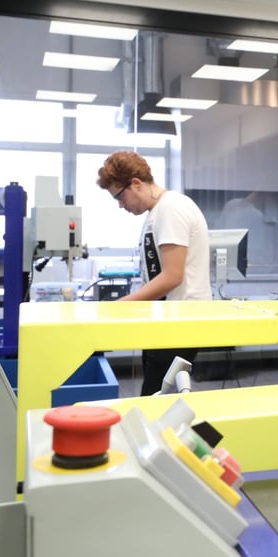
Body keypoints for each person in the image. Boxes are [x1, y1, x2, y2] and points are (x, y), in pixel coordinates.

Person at [97, 150, 212, 395]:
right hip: (166, 322)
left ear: (136, 183)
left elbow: (172, 276)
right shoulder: (158, 211)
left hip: (180, 324)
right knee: (156, 395)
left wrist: (121, 305)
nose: (121, 205)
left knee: (154, 399)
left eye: (120, 197)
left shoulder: (171, 208)